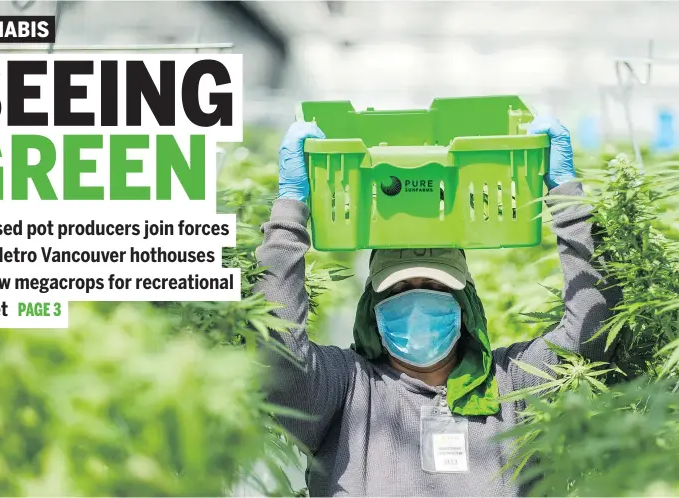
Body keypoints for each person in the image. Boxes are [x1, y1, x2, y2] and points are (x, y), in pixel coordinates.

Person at [254, 116, 621, 497]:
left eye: (433, 286)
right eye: (398, 289)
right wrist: (289, 213)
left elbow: (591, 333)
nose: (415, 301)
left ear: (464, 305)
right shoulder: (346, 388)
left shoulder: (511, 384)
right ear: (373, 309)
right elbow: (280, 356)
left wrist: (569, 201)